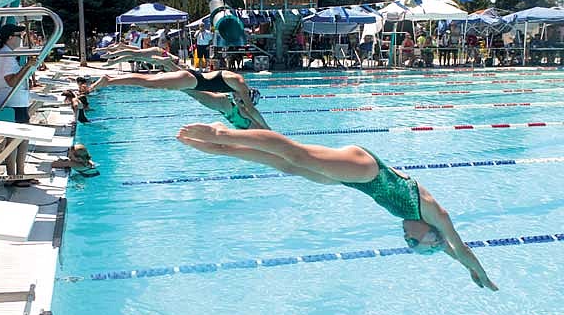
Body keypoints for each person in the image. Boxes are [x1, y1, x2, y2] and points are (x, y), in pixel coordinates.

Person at [176, 122, 498, 291]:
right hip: (367, 169)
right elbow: (460, 246)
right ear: (429, 234)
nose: (406, 239)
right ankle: (224, 132)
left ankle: (221, 149)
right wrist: (483, 274)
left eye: (408, 244)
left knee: (289, 167)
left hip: (355, 181)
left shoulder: (425, 228)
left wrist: (467, 269)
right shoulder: (434, 214)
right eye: (412, 242)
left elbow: (451, 252)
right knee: (298, 155)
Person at [96, 47, 270, 129]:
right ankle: (110, 80)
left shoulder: (233, 90)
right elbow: (252, 110)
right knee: (148, 82)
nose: (240, 101)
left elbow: (247, 109)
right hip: (190, 79)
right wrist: (267, 128)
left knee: (158, 78)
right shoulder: (239, 84)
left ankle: (164, 64)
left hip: (192, 80)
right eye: (242, 99)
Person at [0, 24, 39, 187]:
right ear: (11, 37)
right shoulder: (5, 56)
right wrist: (27, 66)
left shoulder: (8, 54)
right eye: (20, 36)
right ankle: (14, 176)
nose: (22, 39)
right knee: (15, 140)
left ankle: (19, 174)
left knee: (21, 139)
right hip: (11, 101)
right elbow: (10, 81)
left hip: (16, 101)